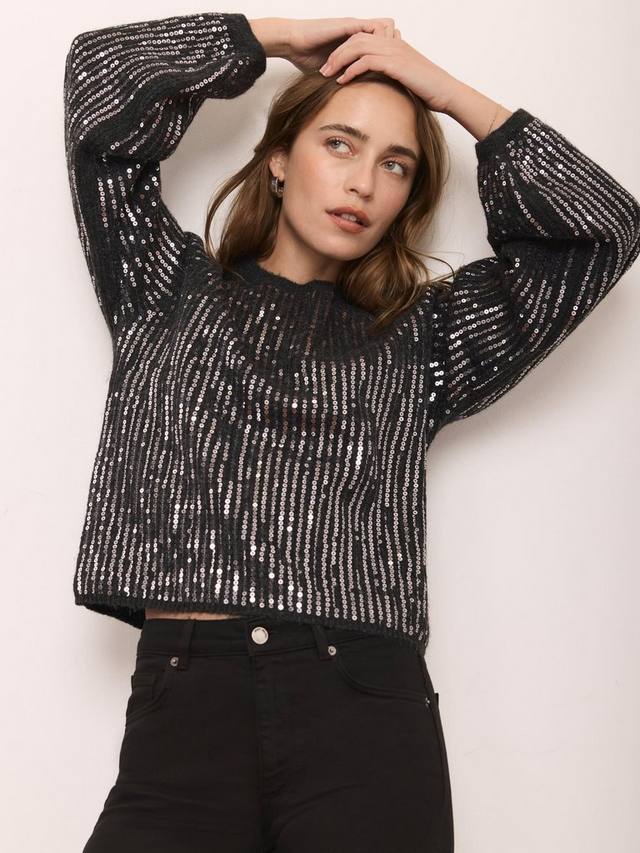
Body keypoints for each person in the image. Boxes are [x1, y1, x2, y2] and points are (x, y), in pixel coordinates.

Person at [63, 12, 640, 852]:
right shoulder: (162, 288)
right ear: (278, 159)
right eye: (340, 144)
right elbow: (98, 84)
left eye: (395, 164)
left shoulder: (424, 338)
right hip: (185, 710)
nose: (363, 183)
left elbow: (602, 229)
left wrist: (445, 92)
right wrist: (270, 38)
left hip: (363, 714)